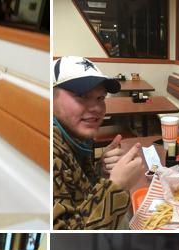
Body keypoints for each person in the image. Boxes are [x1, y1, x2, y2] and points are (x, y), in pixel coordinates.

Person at [52, 56, 146, 230]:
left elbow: (81, 195)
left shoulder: (79, 138)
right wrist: (117, 186)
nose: (96, 108)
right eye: (81, 96)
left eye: (100, 98)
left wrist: (101, 170)